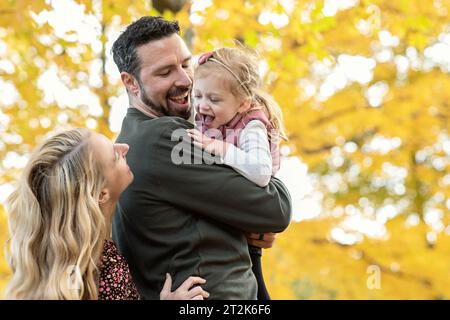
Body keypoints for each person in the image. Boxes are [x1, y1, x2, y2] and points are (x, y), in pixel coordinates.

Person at [111, 16, 292, 300]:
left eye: (185, 64)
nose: (184, 80)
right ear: (131, 83)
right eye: (165, 72)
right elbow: (275, 207)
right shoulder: (164, 138)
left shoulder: (129, 139)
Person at [5, 128, 209, 300]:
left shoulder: (80, 261)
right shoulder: (105, 273)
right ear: (102, 194)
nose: (125, 147)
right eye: (115, 156)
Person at [186, 47, 288, 300]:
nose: (202, 106)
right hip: (231, 213)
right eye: (197, 96)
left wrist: (222, 149)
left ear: (242, 102)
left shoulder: (251, 126)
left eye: (214, 99)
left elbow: (261, 173)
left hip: (249, 214)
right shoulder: (210, 114)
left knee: (254, 282)